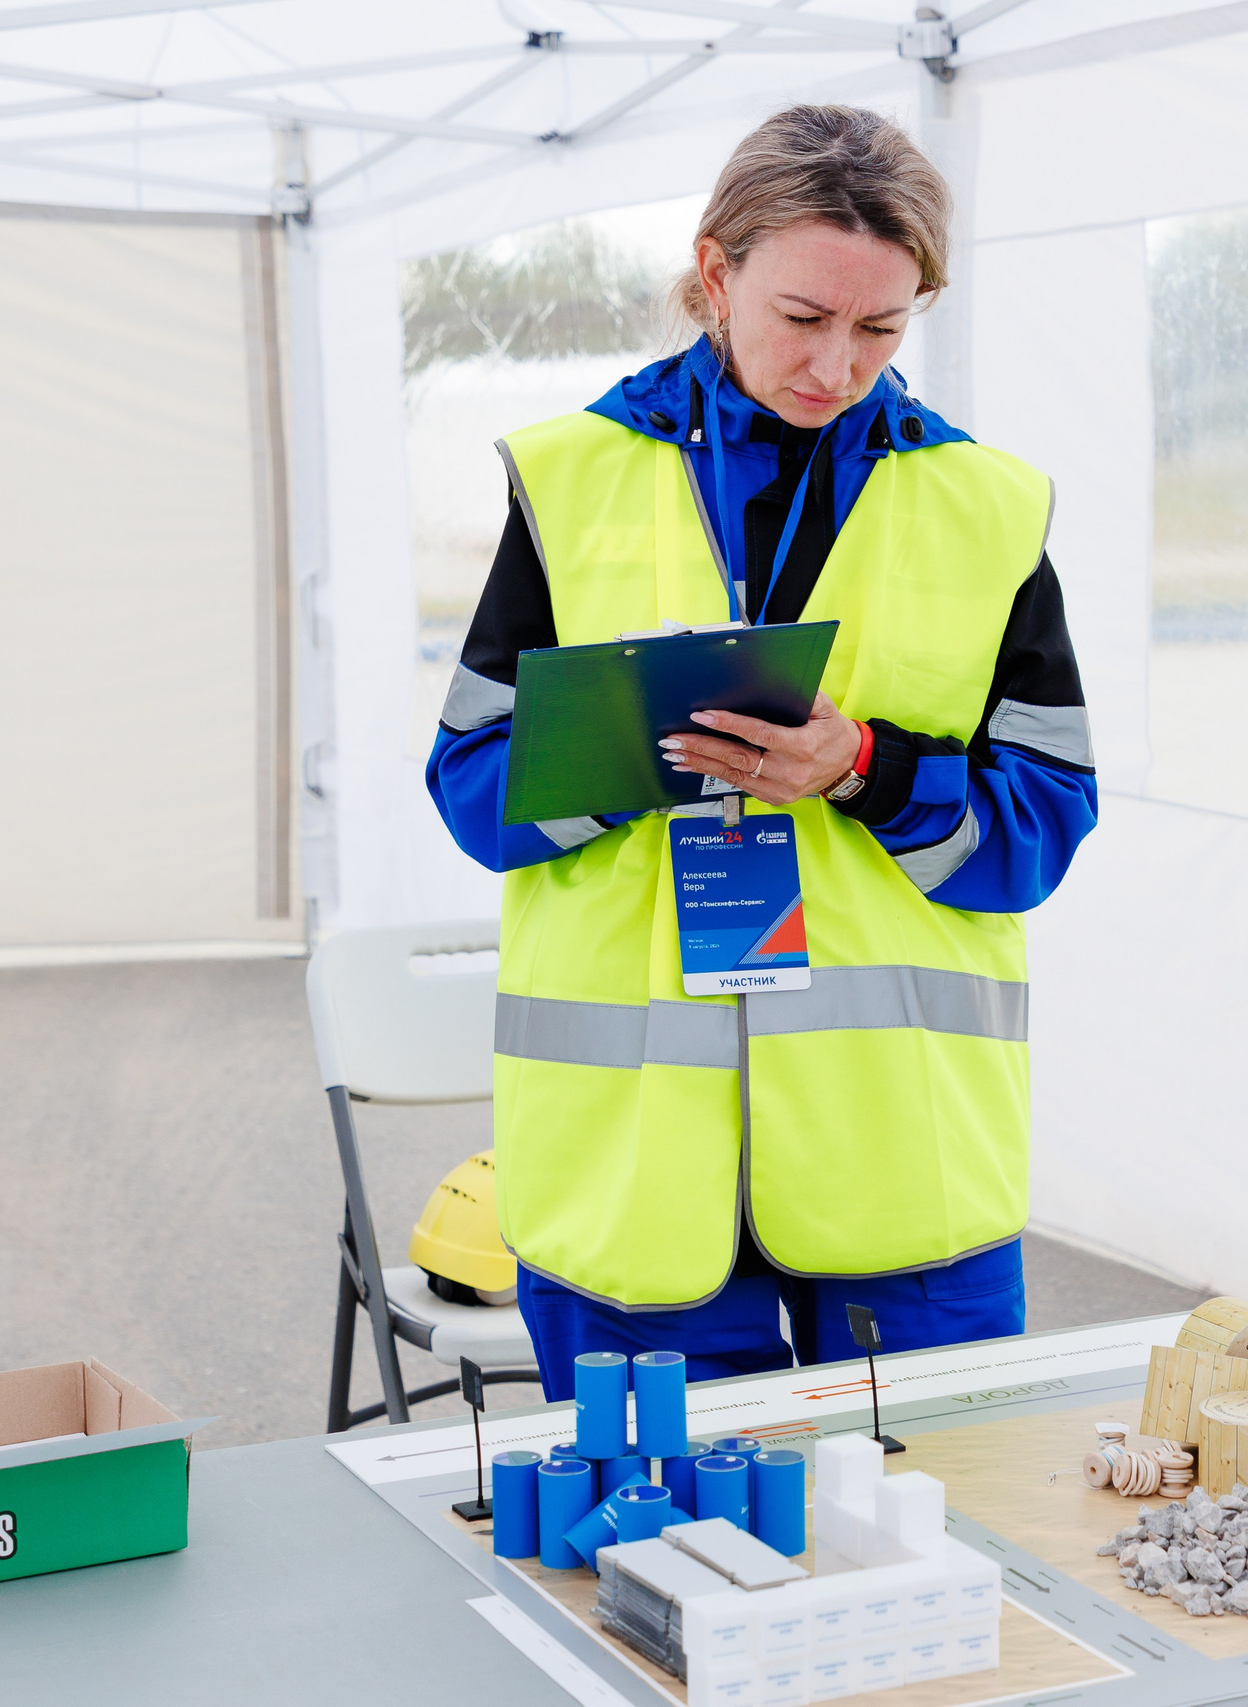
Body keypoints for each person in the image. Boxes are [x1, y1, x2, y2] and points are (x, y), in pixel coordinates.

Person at [428, 104, 1097, 1398]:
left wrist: (869, 773)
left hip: (903, 1171)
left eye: (881, 328)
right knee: (659, 1575)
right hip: (635, 1185)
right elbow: (470, 791)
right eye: (803, 318)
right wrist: (648, 748)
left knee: (930, 1554)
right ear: (716, 272)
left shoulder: (991, 513)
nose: (836, 366)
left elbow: (1045, 825)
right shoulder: (569, 483)